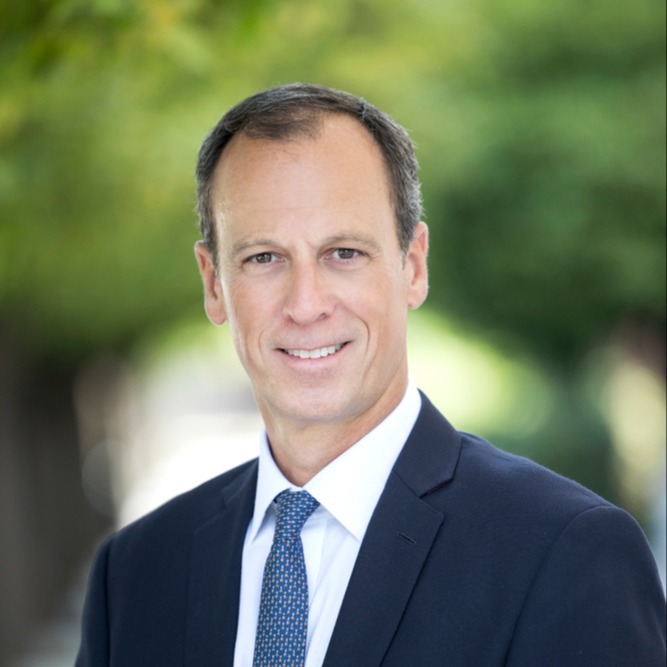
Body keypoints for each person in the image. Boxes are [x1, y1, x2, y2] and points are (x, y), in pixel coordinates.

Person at [76, 84, 666, 666]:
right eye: (264, 258)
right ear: (213, 283)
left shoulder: (564, 551)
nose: (305, 304)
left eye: (344, 253)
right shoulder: (134, 573)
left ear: (413, 266)